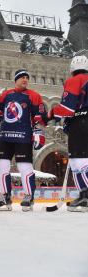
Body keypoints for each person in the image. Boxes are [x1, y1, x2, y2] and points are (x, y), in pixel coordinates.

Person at [0, 70, 47, 212]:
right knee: (1, 165)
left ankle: (29, 196)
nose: (25, 79)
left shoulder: (34, 96)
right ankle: (5, 196)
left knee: (24, 166)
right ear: (15, 79)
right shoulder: (6, 94)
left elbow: (39, 117)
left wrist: (39, 132)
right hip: (5, 136)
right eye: (22, 77)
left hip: (23, 136)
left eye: (27, 78)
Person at [50, 55, 88, 212]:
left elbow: (67, 108)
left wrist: (52, 113)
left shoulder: (75, 80)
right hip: (81, 121)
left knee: (77, 161)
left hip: (82, 123)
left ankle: (85, 195)